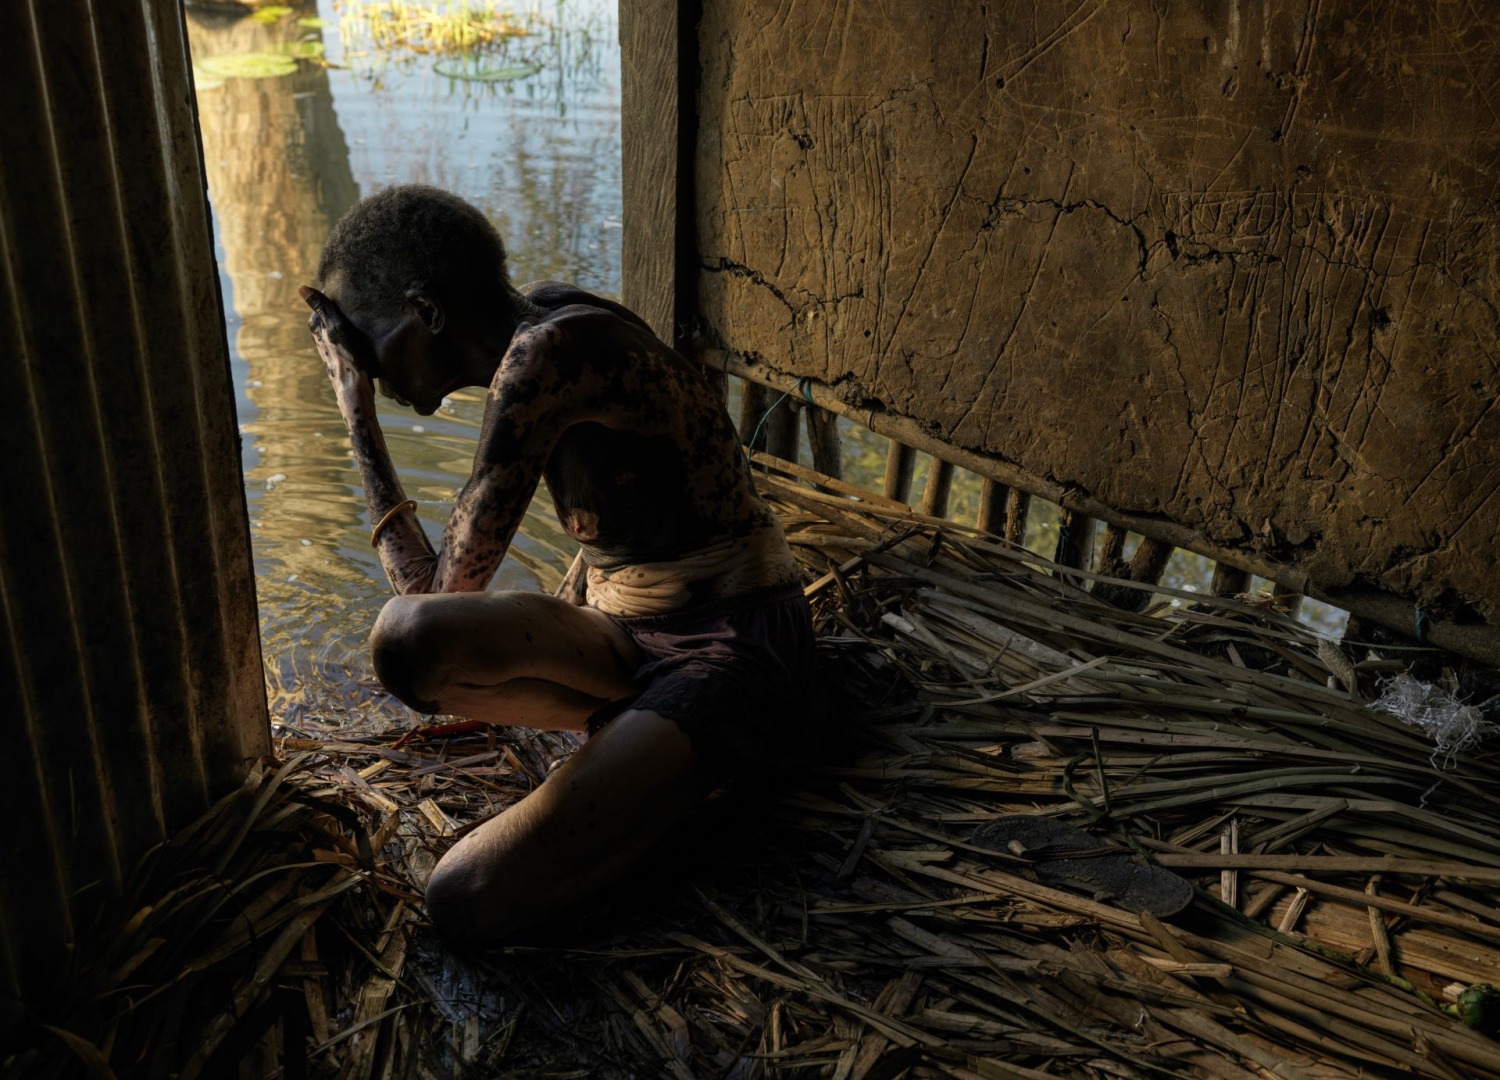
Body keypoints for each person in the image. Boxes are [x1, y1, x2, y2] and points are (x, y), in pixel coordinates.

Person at [300, 185, 818, 946]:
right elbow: (435, 621)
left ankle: (680, 779)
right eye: (353, 359)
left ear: (428, 314)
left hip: (731, 653)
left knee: (463, 898)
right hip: (621, 633)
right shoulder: (532, 331)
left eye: (366, 343)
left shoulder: (549, 354)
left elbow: (441, 591)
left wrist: (357, 414)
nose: (362, 364)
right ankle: (636, 759)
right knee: (405, 648)